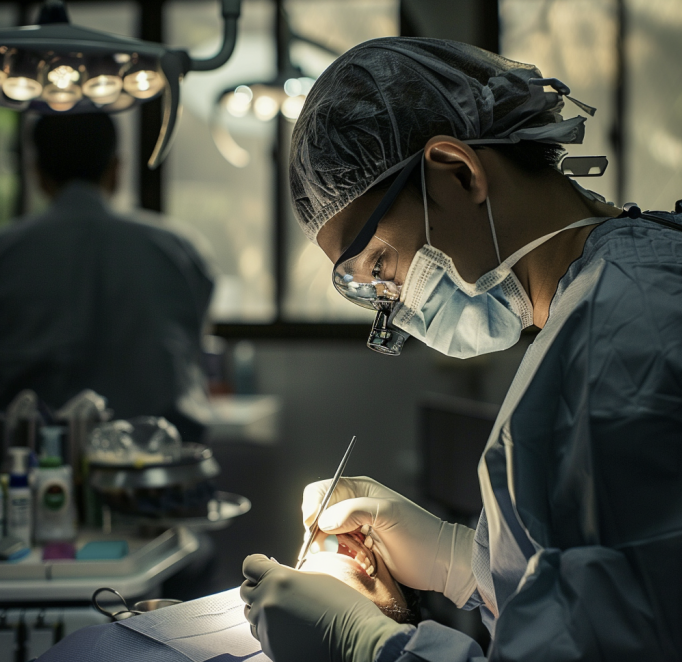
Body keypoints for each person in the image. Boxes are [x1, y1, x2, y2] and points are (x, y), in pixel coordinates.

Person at [241, 38, 682, 661]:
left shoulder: (622, 333)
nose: (395, 302)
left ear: (458, 171)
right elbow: (607, 591)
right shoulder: (613, 291)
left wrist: (368, 646)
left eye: (381, 265)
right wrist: (461, 563)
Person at [0, 114, 214, 438]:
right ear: (116, 170)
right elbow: (190, 354)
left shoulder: (7, 252)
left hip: (29, 470)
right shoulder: (179, 251)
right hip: (159, 467)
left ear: (37, 174)